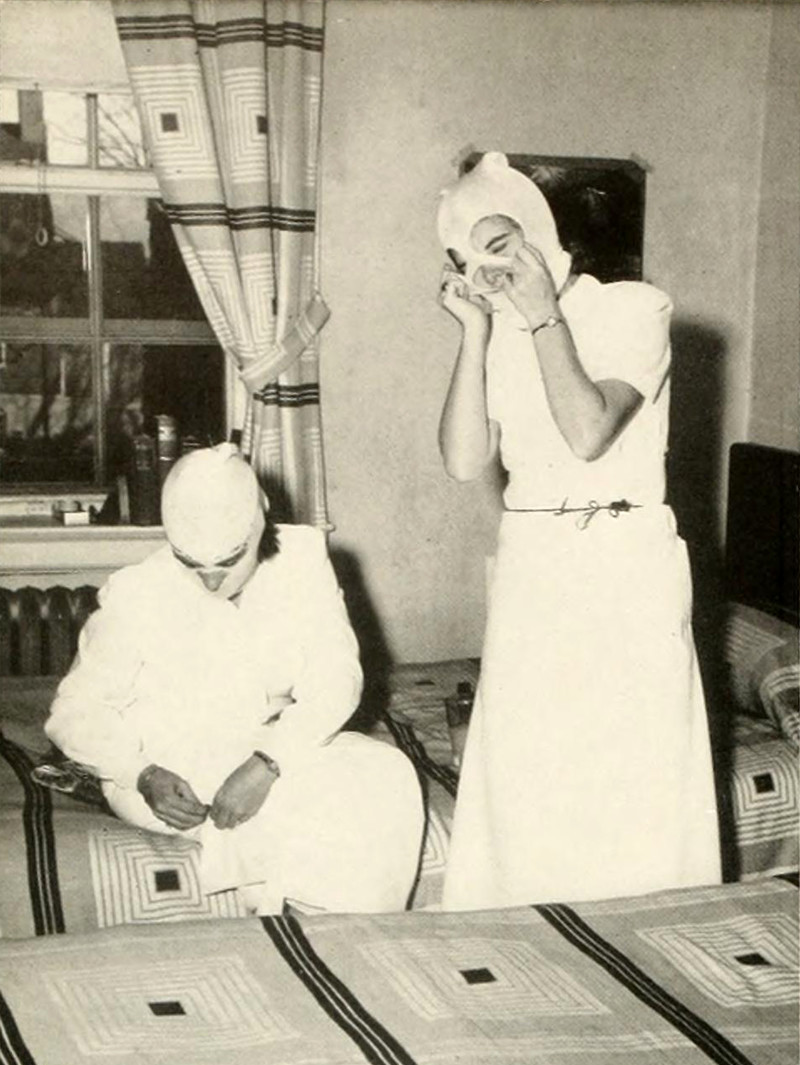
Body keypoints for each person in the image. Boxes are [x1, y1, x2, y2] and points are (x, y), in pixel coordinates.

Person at [436, 152, 721, 910]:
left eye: (501, 244)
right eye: (468, 260)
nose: (490, 270)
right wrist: (474, 334)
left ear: (540, 231)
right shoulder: (503, 328)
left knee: (627, 775)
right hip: (536, 563)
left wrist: (540, 318)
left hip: (623, 561)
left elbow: (588, 432)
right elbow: (464, 461)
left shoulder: (634, 309)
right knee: (532, 775)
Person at [46, 443, 424, 915]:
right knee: (311, 811)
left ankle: (344, 933)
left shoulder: (302, 562)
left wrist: (268, 762)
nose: (210, 582)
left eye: (227, 563)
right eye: (190, 564)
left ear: (259, 526)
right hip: (168, 769)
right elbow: (74, 711)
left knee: (386, 774)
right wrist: (141, 774)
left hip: (267, 746)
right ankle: (302, 928)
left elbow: (337, 677)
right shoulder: (137, 591)